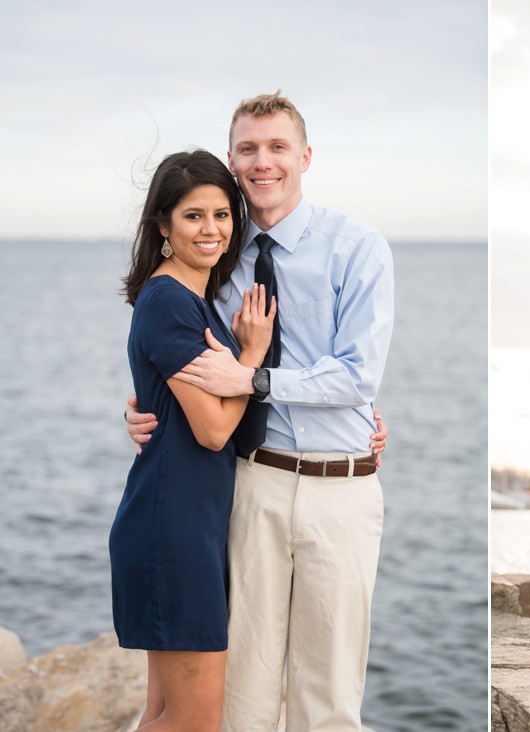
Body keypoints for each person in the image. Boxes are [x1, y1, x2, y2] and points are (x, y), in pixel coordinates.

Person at [127, 92, 394, 730]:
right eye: (248, 148)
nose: (262, 161)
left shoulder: (356, 247)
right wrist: (142, 404)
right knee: (241, 696)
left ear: (305, 156)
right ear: (232, 158)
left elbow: (360, 375)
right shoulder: (218, 249)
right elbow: (178, 346)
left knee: (327, 699)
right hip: (251, 484)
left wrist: (258, 375)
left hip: (341, 486)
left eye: (277, 147)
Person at [110, 149, 277, 730]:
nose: (212, 230)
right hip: (171, 532)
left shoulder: (191, 299)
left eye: (222, 214)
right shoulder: (168, 302)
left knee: (161, 716)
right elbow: (211, 431)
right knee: (194, 724)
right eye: (193, 216)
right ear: (163, 225)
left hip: (187, 526)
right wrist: (251, 357)